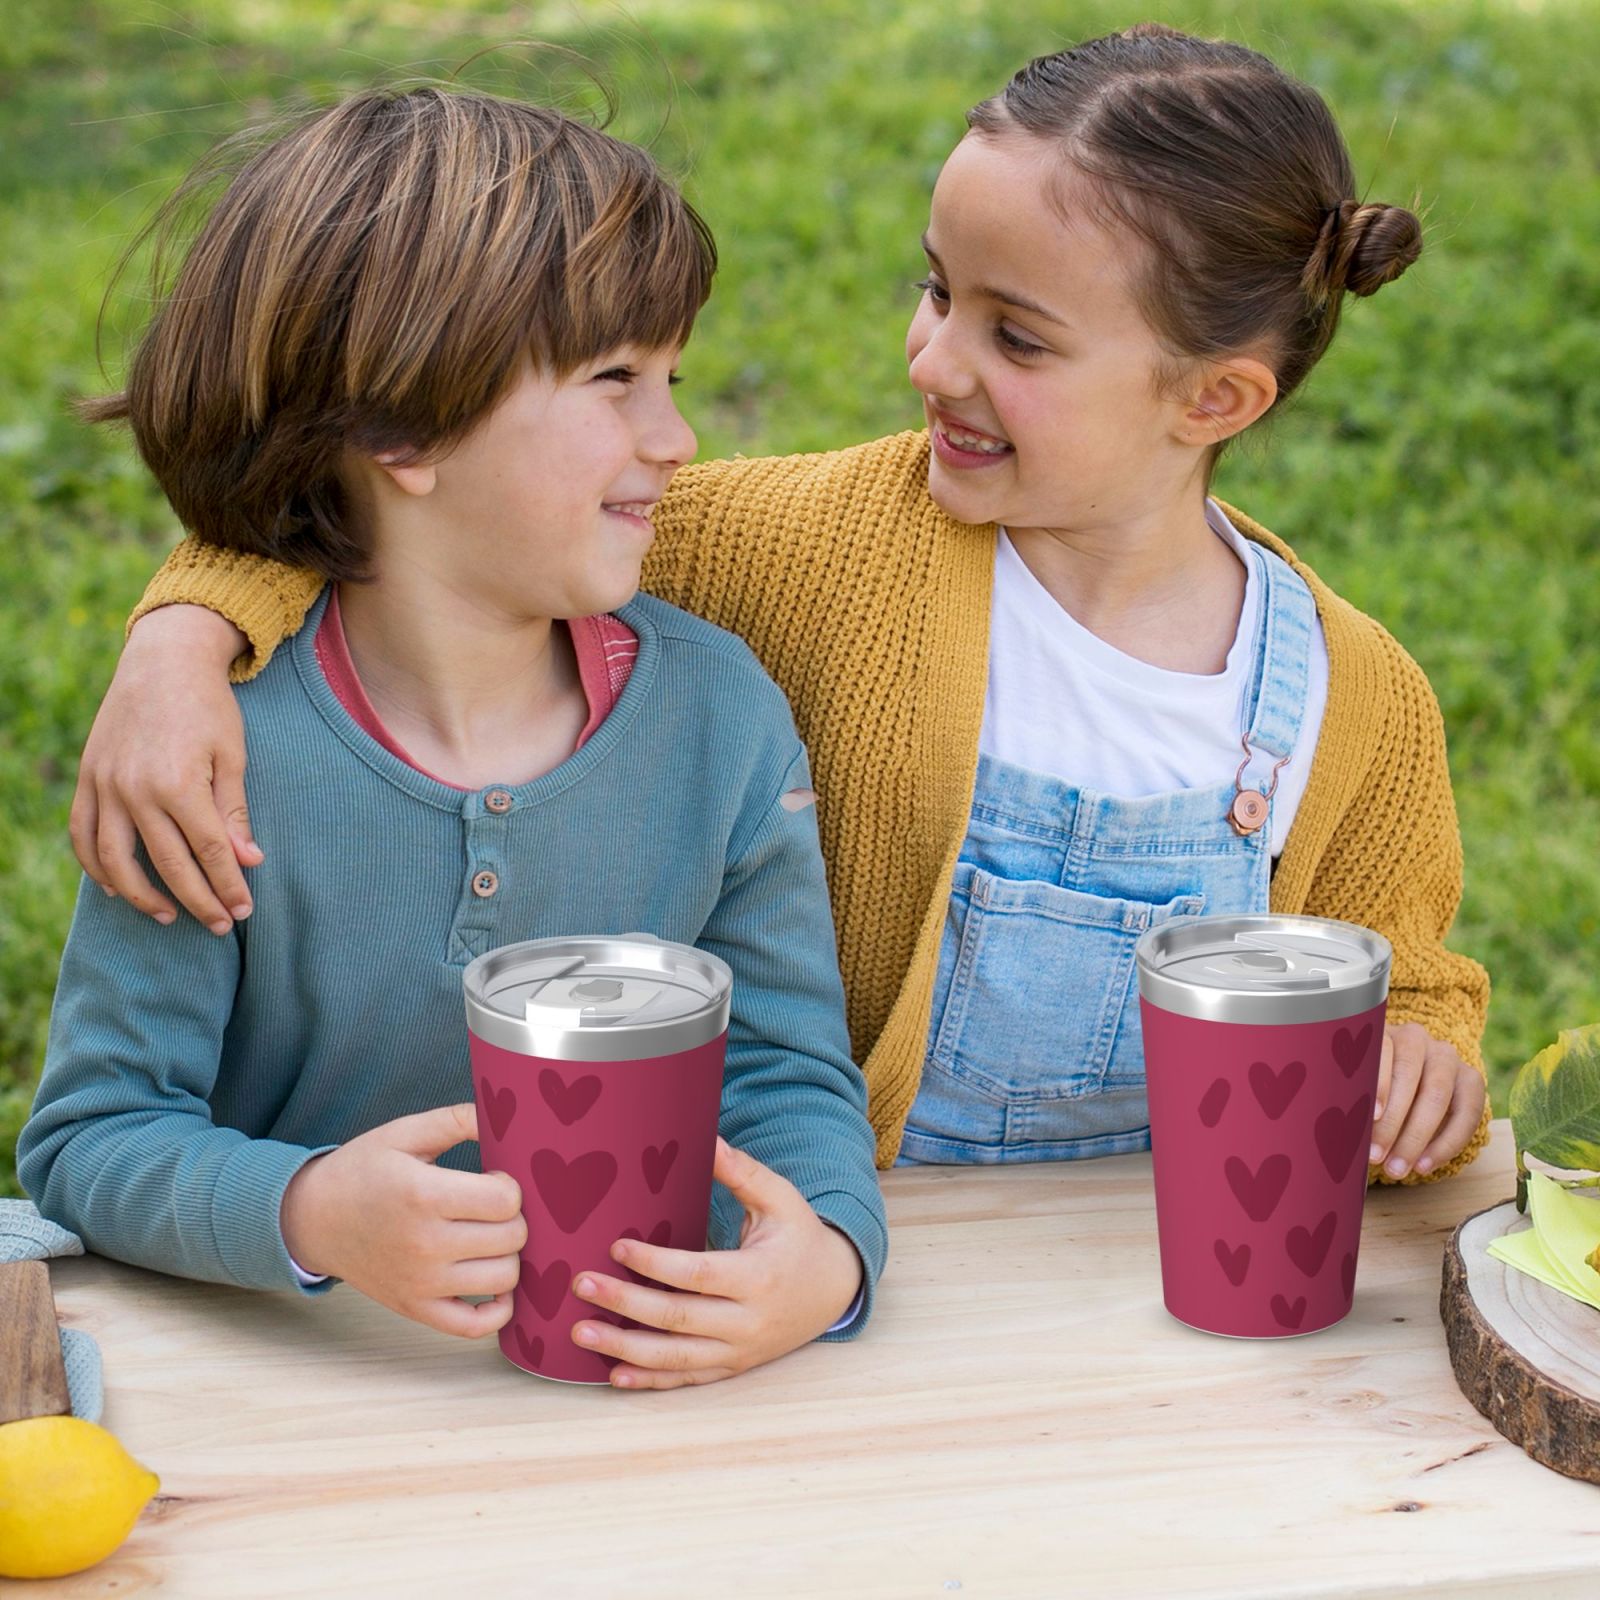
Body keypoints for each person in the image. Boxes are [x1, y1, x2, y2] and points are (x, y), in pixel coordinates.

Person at [67, 24, 1490, 1188]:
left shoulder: (1352, 698)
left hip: (1160, 1280)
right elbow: (425, 505)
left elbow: (1403, 977)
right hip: (850, 1250)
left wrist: (1422, 1054)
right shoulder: (808, 546)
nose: (934, 358)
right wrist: (185, 635)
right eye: (937, 291)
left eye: (1018, 335)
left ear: (1216, 398)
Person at [19, 86, 887, 1391]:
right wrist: (313, 1211)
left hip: (638, 1409)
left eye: (673, 379)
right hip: (303, 1406)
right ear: (399, 429)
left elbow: (781, 1074)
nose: (677, 438)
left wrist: (825, 1255)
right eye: (614, 383)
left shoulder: (723, 721)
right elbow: (93, 1139)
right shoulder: (208, 757)